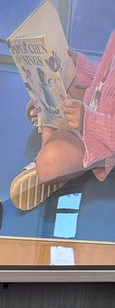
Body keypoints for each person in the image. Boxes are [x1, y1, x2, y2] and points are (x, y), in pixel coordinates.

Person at [11, 32, 115, 211]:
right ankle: (49, 110)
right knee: (61, 71)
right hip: (94, 105)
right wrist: (79, 64)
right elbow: (105, 75)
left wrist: (86, 120)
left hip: (102, 140)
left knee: (48, 163)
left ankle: (49, 127)